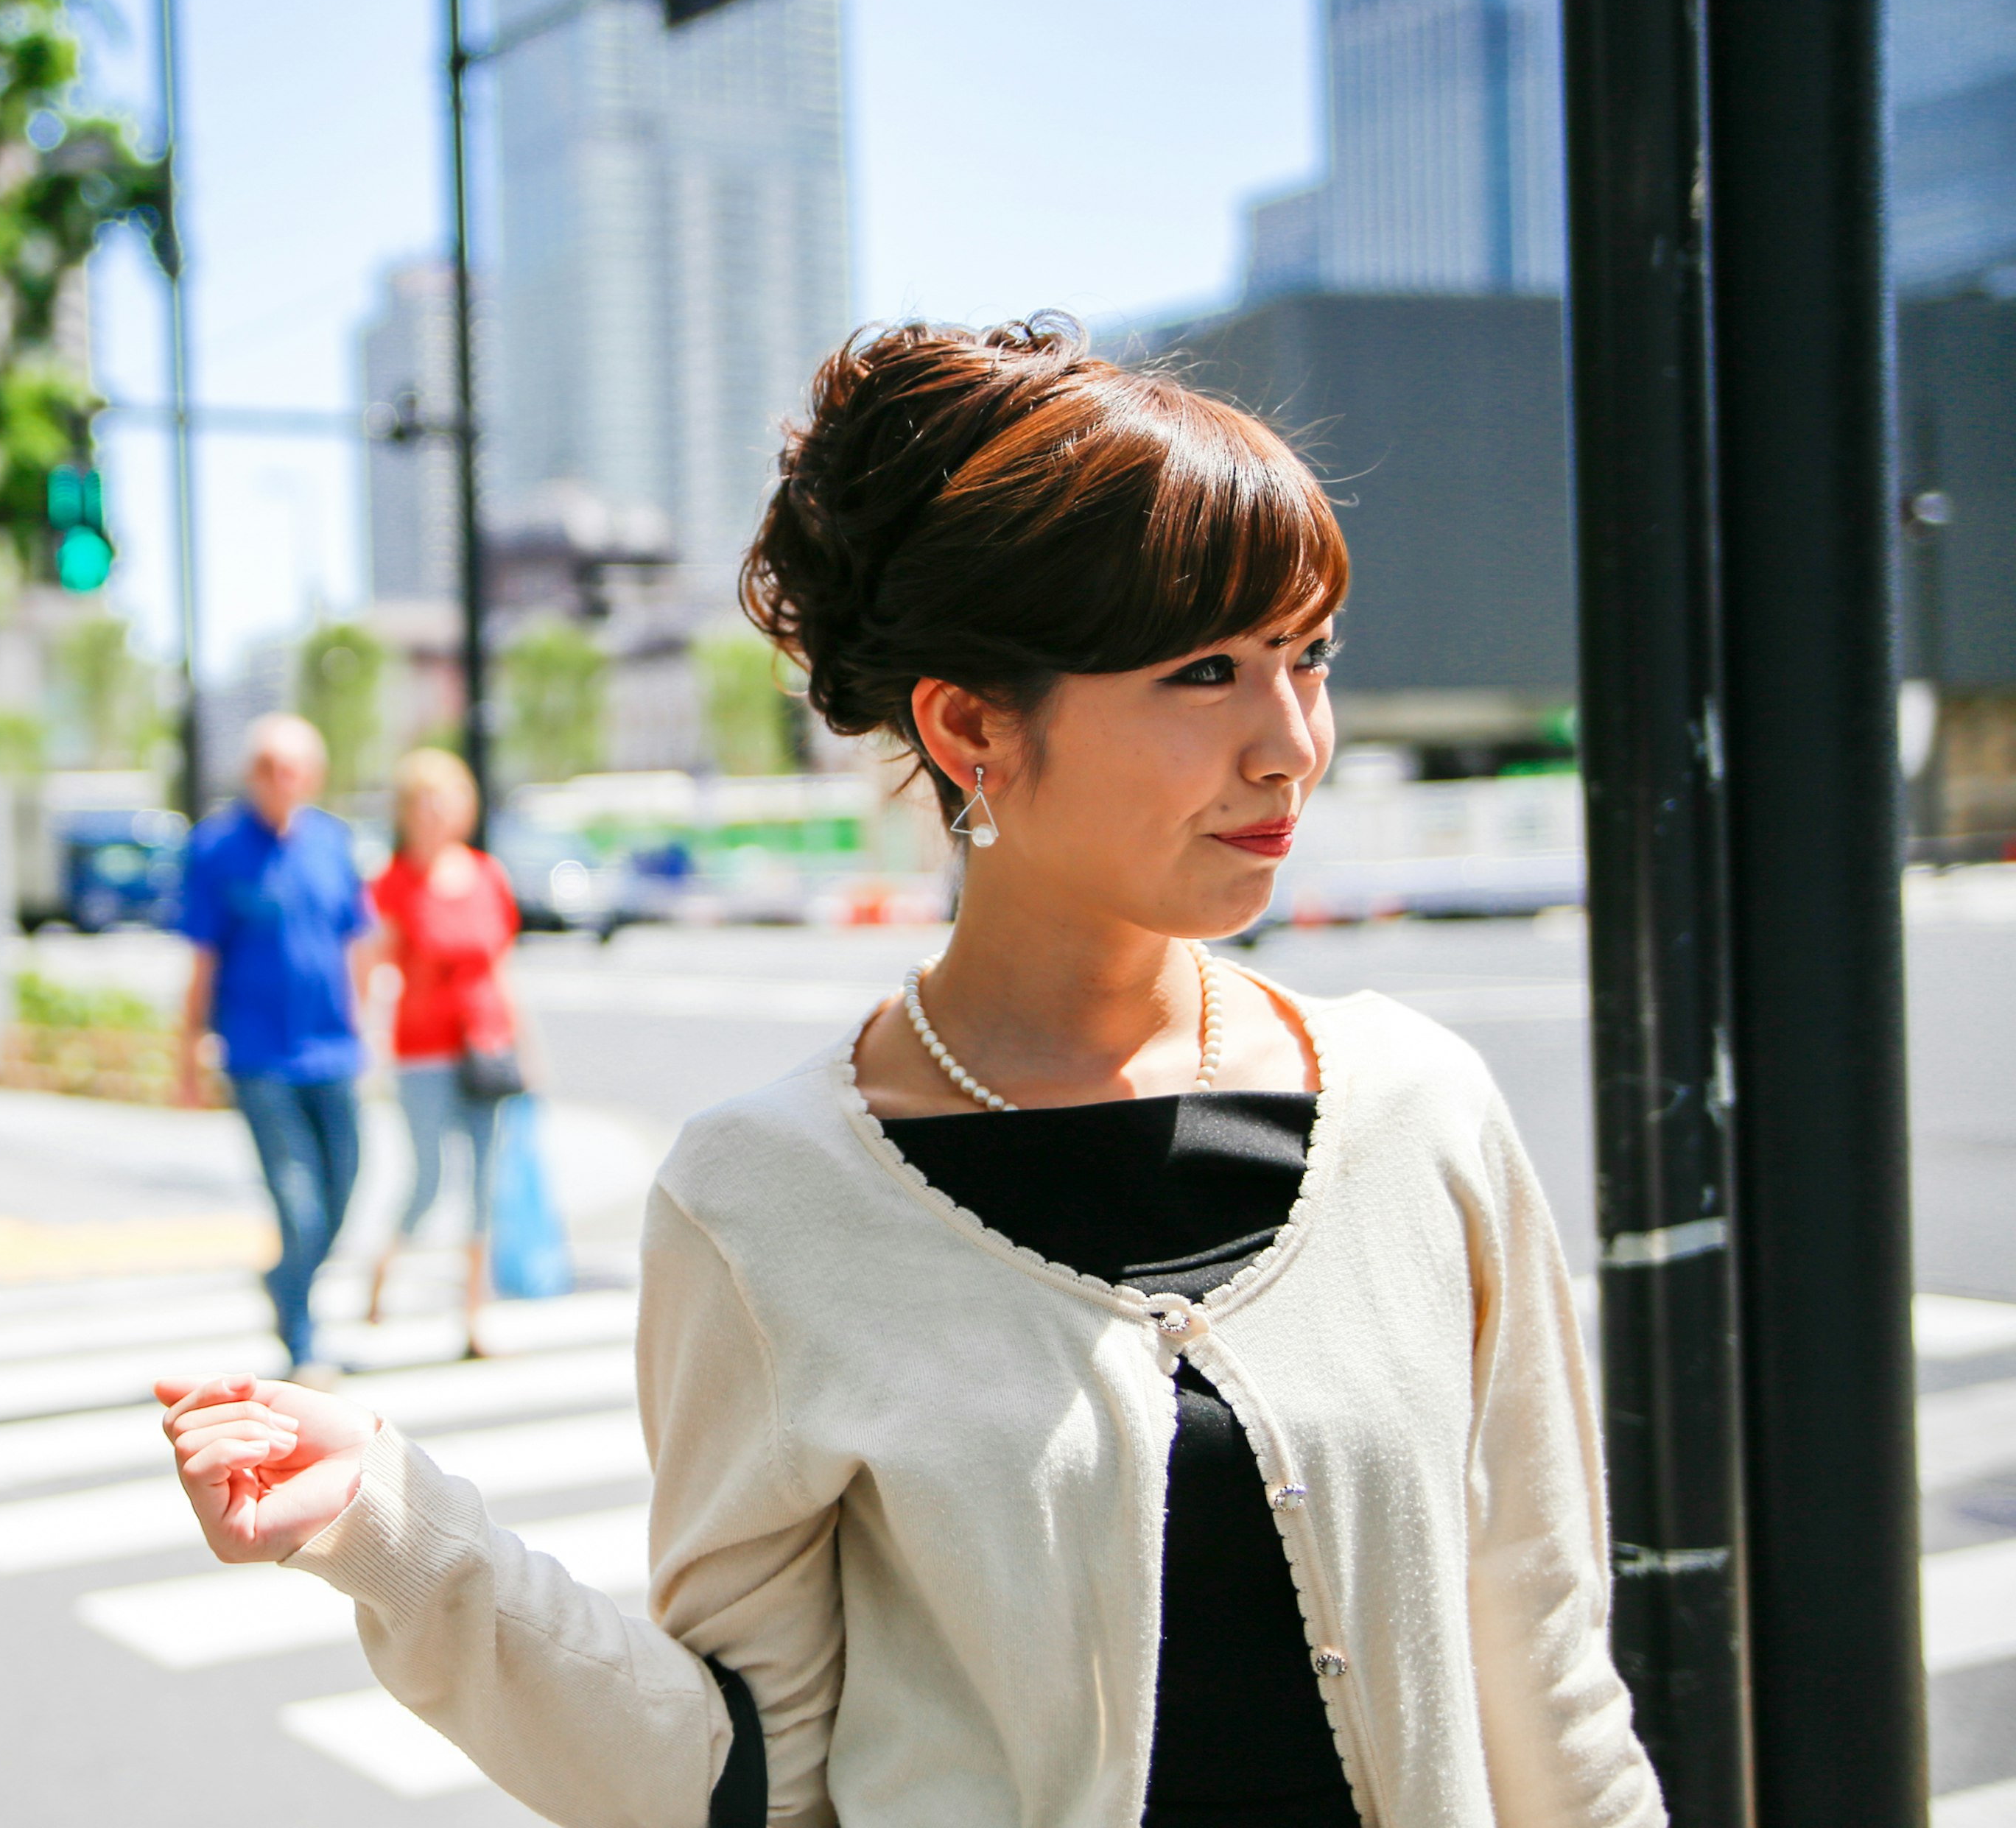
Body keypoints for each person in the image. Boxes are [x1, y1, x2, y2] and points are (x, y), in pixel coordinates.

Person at [155, 319, 1663, 1828]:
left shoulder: (1419, 1111)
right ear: (971, 726)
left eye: (1308, 655)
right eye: (1208, 670)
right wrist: (402, 1537)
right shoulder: (769, 1197)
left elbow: (1549, 1689)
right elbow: (742, 1771)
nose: (1292, 742)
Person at [178, 714, 373, 1385]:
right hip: (260, 1056)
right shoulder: (216, 850)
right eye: (265, 766)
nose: (277, 780)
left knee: (346, 1192)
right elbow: (201, 960)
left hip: (334, 1053)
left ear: (312, 776)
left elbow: (356, 942)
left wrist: (367, 1025)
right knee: (298, 1202)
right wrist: (188, 1054)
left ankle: (284, 1285)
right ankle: (301, 1338)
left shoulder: (333, 843)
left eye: (289, 767)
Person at [360, 748, 523, 1353]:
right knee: (427, 1179)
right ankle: (382, 1271)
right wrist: (371, 1047)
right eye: (421, 801)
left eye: (444, 799)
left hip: (485, 1044)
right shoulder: (394, 883)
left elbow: (503, 969)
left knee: (484, 1181)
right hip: (421, 1048)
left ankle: (474, 1313)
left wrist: (525, 1046)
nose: (433, 813)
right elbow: (376, 970)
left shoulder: (485, 874)